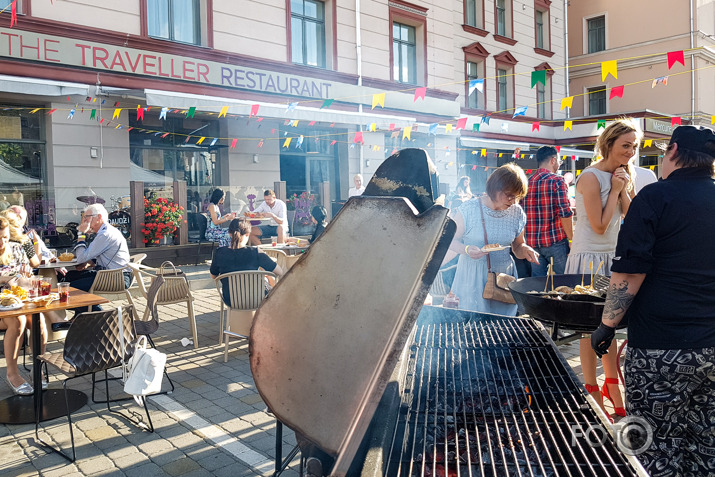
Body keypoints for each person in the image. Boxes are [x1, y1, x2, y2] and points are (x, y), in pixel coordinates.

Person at [592, 125, 715, 476]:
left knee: (655, 446)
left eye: (663, 152)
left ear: (673, 151)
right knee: (707, 443)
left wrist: (606, 325)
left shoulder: (654, 197)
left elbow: (629, 273)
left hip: (660, 349)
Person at [565, 117, 640, 418]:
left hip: (612, 259)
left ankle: (611, 383)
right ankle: (592, 389)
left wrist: (622, 189)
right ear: (608, 144)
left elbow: (632, 219)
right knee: (589, 328)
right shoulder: (590, 177)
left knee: (609, 324)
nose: (631, 151)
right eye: (625, 145)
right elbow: (598, 225)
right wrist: (618, 188)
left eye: (634, 146)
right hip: (589, 259)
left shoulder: (622, 175)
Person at [443, 163, 539, 314]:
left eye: (517, 197)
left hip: (503, 280)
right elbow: (448, 240)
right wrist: (466, 249)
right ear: (495, 189)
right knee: (472, 326)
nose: (513, 201)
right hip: (471, 277)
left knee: (503, 327)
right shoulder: (468, 209)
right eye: (510, 195)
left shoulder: (517, 213)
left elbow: (518, 246)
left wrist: (525, 250)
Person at [61, 204, 131, 307]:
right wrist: (89, 263)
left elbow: (80, 258)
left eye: (86, 217)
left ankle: (97, 315)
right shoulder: (105, 231)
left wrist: (81, 234)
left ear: (98, 217)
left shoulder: (105, 234)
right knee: (69, 276)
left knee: (69, 290)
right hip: (109, 274)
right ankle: (79, 317)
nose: (84, 220)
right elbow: (103, 255)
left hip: (117, 278)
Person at [0, 217, 39, 395]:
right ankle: (12, 374)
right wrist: (6, 279)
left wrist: (26, 274)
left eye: (5, 238)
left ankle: (37, 369)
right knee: (17, 321)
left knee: (38, 318)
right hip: (5, 308)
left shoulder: (16, 248)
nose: (2, 243)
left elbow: (26, 278)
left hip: (15, 300)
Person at [523, 146, 574, 276]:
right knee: (565, 283)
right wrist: (572, 240)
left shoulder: (526, 183)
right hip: (555, 242)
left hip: (532, 243)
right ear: (553, 160)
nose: (559, 164)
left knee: (537, 286)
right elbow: (565, 213)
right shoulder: (558, 181)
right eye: (559, 161)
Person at [210, 219, 284, 305]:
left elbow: (213, 276)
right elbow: (280, 272)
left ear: (229, 234)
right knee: (271, 281)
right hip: (257, 298)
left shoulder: (219, 252)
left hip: (230, 300)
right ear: (248, 234)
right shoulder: (256, 252)